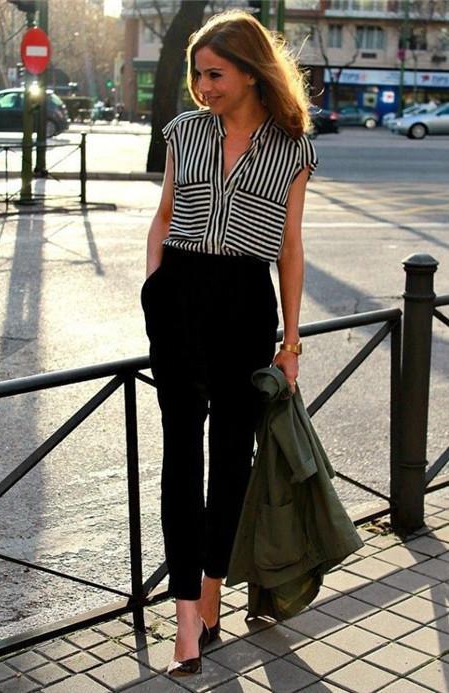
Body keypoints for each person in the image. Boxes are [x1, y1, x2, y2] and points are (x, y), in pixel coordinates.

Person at [141, 9, 317, 677]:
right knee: (181, 456)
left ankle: (213, 588)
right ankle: (187, 614)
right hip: (179, 296)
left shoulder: (293, 148)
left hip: (246, 302)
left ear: (250, 71)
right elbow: (164, 216)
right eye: (197, 74)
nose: (203, 86)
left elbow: (290, 247)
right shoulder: (184, 132)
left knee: (232, 461)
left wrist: (291, 341)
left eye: (215, 74)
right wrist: (154, 287)